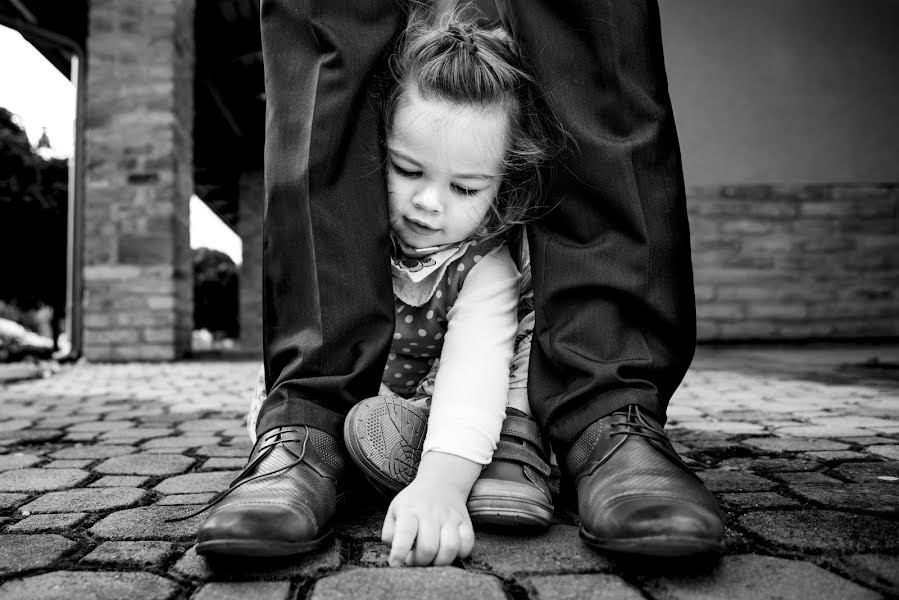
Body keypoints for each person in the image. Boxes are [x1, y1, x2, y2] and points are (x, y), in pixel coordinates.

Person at [197, 0, 724, 565]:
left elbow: (474, 371)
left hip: (445, 396)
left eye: (466, 188)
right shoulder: (376, 218)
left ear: (505, 186)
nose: (428, 203)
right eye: (406, 170)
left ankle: (599, 410)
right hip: (378, 385)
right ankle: (308, 422)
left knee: (592, 21)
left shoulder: (481, 268)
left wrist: (443, 484)